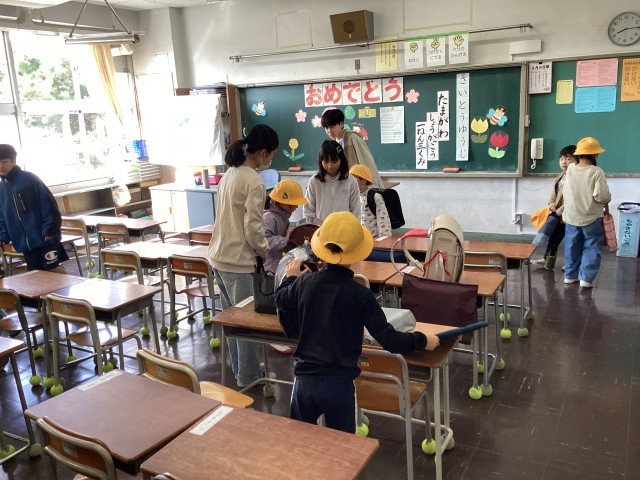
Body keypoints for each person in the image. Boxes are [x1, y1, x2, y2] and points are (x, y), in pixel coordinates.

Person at [274, 211, 440, 433]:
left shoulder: (305, 283)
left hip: (305, 382)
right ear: (356, 253)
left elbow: (281, 298)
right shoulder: (361, 295)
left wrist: (291, 277)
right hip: (340, 386)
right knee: (344, 447)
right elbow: (390, 340)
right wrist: (422, 340)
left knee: (301, 442)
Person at [208, 124, 279, 388]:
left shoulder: (230, 174)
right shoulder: (255, 181)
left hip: (219, 257)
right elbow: (253, 228)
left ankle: (241, 370)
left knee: (233, 321)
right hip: (238, 261)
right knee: (247, 323)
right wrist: (264, 250)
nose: (270, 160)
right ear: (263, 153)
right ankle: (249, 377)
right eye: (272, 154)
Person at [0, 144, 68, 273]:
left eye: (4, 162)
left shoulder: (29, 179)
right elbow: (2, 215)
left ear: (13, 161)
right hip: (25, 244)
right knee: (36, 274)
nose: (1, 166)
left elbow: (49, 205)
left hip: (44, 237)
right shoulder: (2, 188)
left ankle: (71, 286)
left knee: (54, 269)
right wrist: (3, 236)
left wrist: (49, 230)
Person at [264, 179, 308, 356]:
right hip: (269, 267)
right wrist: (285, 240)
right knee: (274, 303)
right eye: (292, 204)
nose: (295, 207)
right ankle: (273, 337)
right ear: (280, 202)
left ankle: (282, 332)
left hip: (278, 265)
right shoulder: (269, 217)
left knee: (282, 300)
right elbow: (264, 241)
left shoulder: (283, 216)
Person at [561, 137, 611, 289]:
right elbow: (601, 196)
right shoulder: (597, 172)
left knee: (571, 245)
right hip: (591, 217)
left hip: (571, 216)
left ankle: (569, 276)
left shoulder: (570, 169)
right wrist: (608, 197)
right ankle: (586, 279)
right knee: (592, 247)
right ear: (595, 154)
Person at [532, 145, 576, 270]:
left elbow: (573, 197)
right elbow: (553, 194)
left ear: (577, 160)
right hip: (557, 214)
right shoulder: (561, 176)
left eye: (568, 159)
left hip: (569, 215)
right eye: (562, 159)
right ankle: (547, 260)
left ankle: (572, 265)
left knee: (571, 242)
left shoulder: (575, 178)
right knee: (553, 238)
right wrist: (551, 204)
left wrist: (560, 210)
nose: (564, 162)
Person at [321, 108, 384, 188]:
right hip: (345, 185)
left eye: (332, 127)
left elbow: (367, 162)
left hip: (359, 184)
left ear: (341, 124)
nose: (329, 130)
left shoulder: (353, 138)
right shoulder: (333, 144)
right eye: (326, 128)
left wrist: (371, 186)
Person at [303, 140, 360, 225]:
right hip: (321, 229)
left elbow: (356, 210)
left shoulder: (351, 181)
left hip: (345, 229)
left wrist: (354, 228)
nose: (330, 166)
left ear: (341, 160)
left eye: (334, 162)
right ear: (320, 161)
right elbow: (308, 211)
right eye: (325, 162)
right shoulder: (314, 181)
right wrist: (311, 229)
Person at [349, 164, 391, 239]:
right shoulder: (351, 197)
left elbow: (383, 221)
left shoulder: (375, 197)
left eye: (353, 179)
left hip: (373, 240)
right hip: (357, 240)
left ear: (363, 181)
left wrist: (384, 240)